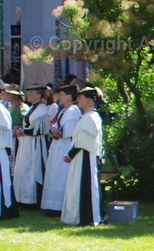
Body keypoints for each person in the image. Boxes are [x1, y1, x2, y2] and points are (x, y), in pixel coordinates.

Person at [61, 86, 105, 226]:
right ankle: (79, 215)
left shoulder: (91, 117)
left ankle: (89, 217)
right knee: (77, 185)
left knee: (87, 185)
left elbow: (84, 142)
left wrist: (70, 154)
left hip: (86, 156)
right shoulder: (85, 116)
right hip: (80, 156)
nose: (78, 99)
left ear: (89, 99)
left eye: (80, 97)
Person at [41, 84, 82, 215]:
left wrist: (54, 130)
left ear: (69, 96)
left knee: (62, 174)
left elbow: (64, 132)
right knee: (54, 174)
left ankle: (60, 205)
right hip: (58, 146)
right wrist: (52, 129)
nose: (59, 98)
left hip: (65, 145)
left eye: (62, 95)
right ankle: (52, 205)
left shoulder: (73, 110)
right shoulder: (63, 110)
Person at [13, 84, 50, 208]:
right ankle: (23, 198)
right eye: (28, 93)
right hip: (27, 144)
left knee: (33, 171)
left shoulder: (42, 110)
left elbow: (41, 130)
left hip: (36, 145)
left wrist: (23, 131)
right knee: (25, 170)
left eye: (32, 93)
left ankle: (34, 199)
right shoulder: (32, 108)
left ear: (39, 95)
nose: (29, 95)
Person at [0, 97, 17, 220]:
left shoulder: (1, 110)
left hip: (1, 149)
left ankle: (5, 210)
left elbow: (5, 130)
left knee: (4, 181)